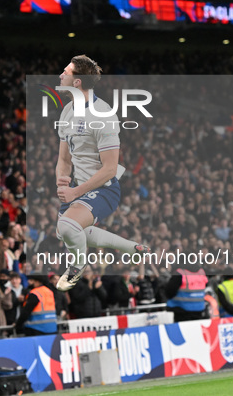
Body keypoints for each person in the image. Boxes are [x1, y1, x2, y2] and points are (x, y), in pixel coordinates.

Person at [54, 55, 150, 291]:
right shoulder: (67, 111)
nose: (60, 75)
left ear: (77, 82)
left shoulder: (102, 114)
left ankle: (77, 266)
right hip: (79, 186)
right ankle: (132, 248)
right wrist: (63, 182)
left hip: (104, 188)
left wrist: (75, 191)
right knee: (67, 232)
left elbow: (109, 169)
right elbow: (64, 158)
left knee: (68, 228)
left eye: (66, 72)